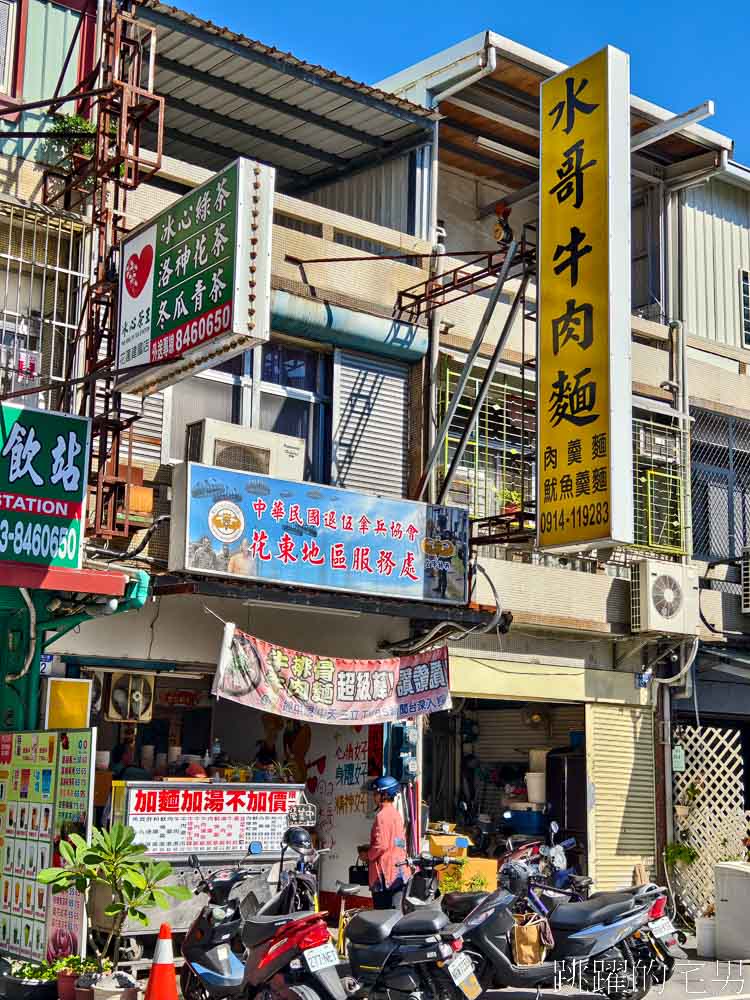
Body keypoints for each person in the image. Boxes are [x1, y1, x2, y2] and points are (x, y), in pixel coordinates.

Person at [360, 775, 408, 909]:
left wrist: (368, 855)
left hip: (384, 874)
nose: (374, 797)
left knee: (383, 915)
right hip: (399, 871)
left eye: (376, 793)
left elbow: (381, 846)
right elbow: (398, 842)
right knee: (396, 912)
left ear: (385, 794)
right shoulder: (396, 814)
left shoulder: (382, 816)